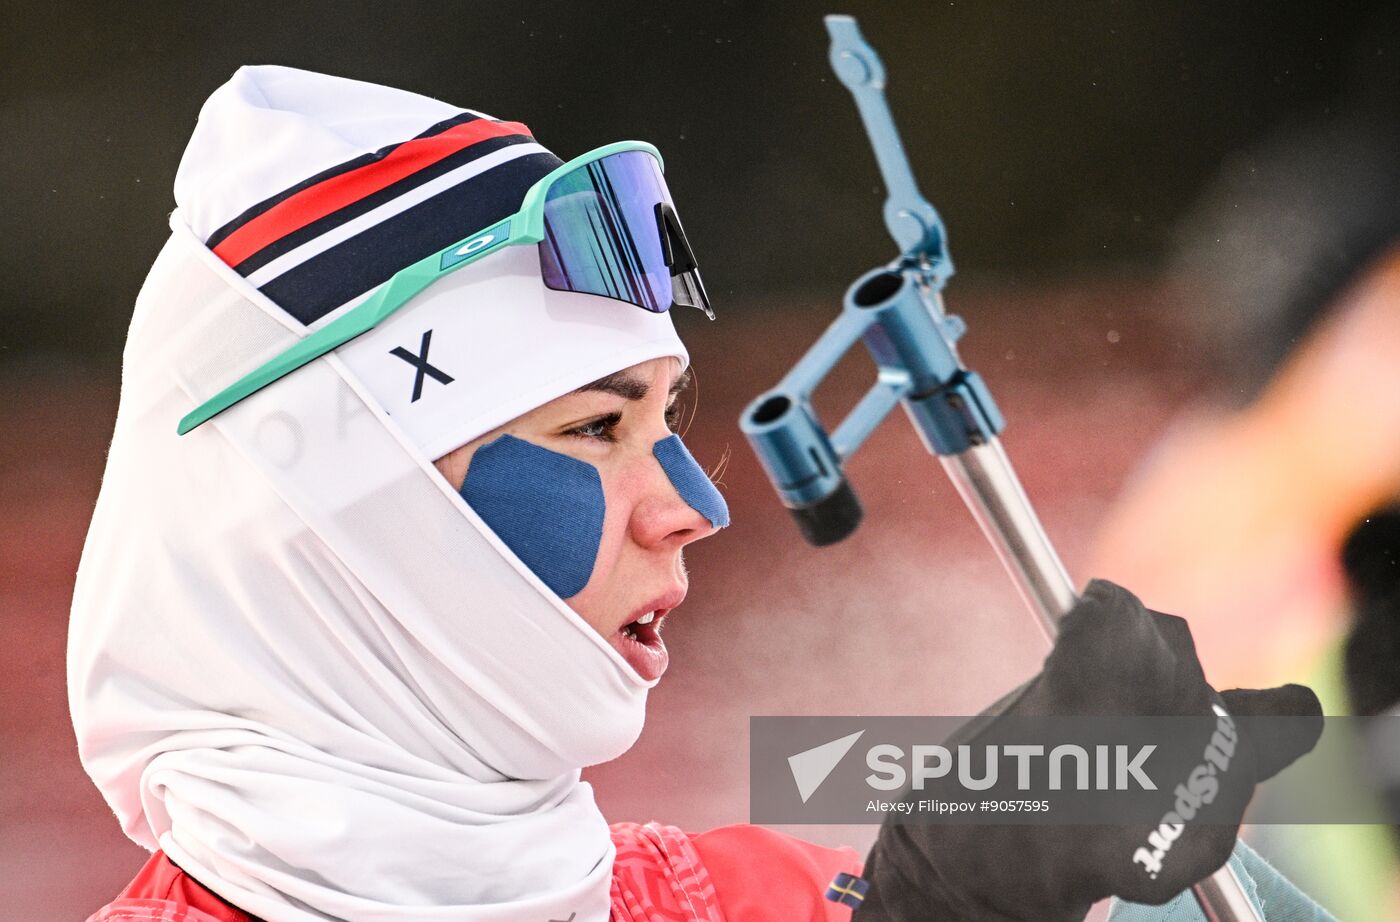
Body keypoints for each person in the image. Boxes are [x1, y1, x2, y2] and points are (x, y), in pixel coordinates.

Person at [70, 66, 1326, 922]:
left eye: (666, 420)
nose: (690, 503)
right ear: (353, 522)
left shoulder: (758, 897)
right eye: (597, 426)